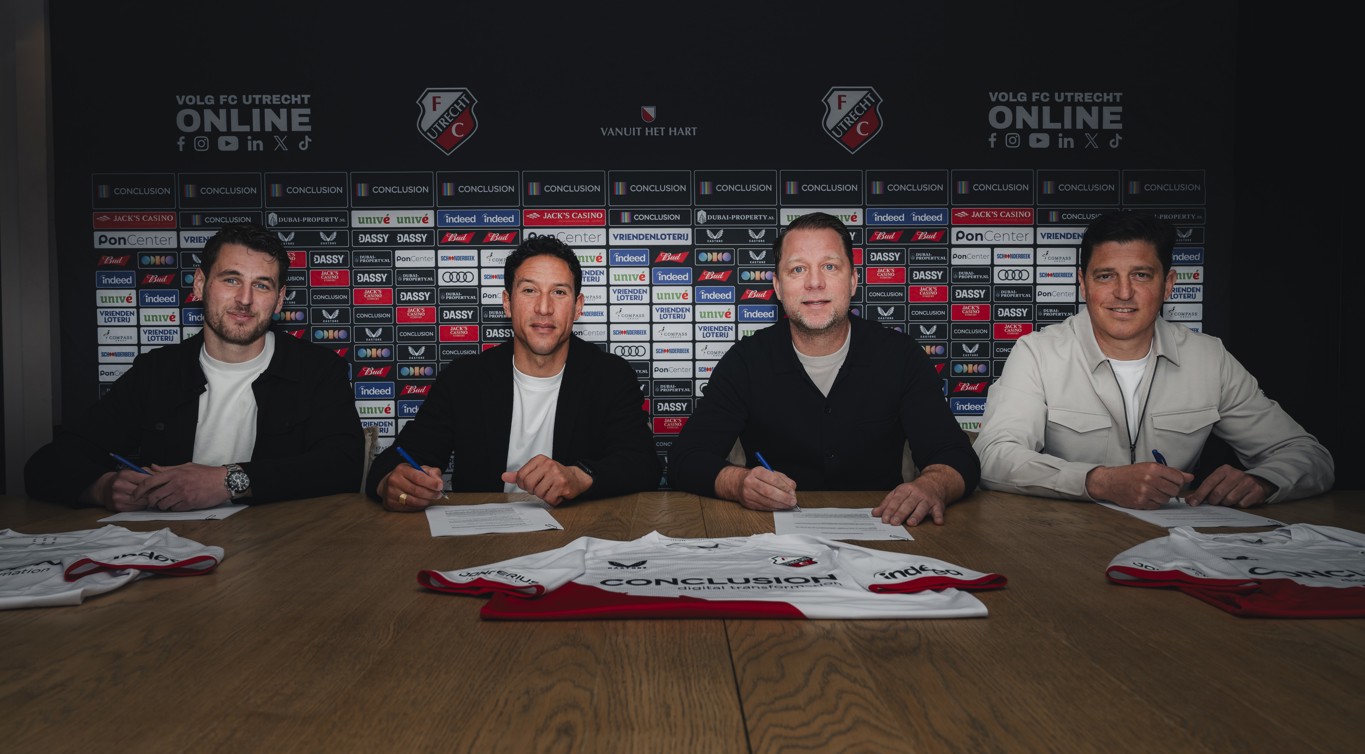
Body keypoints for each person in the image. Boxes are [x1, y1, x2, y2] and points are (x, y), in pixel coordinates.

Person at [974, 209, 1334, 509]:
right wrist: (1098, 481)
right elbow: (993, 457)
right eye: (1106, 276)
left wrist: (1264, 482)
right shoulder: (1037, 353)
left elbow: (1308, 456)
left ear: (1168, 284)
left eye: (1141, 275)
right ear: (1083, 283)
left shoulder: (1209, 358)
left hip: (1178, 545)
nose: (1123, 293)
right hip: (1067, 539)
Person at [667, 212, 980, 526]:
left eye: (829, 266)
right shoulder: (746, 360)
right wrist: (738, 483)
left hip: (887, 528)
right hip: (773, 536)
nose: (814, 282)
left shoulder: (900, 355)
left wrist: (932, 485)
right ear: (778, 287)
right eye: (798, 269)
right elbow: (685, 459)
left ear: (853, 281)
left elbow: (956, 455)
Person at [26, 223, 364, 511]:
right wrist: (101, 487)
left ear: (279, 300)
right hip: (169, 548)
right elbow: (49, 463)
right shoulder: (156, 372)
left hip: (281, 548)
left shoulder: (318, 370)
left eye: (261, 285)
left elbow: (344, 466)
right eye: (231, 280)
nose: (245, 299)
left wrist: (228, 481)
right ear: (200, 284)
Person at [366, 235, 660, 510]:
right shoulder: (464, 379)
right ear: (507, 303)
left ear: (577, 307)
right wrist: (392, 483)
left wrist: (579, 477)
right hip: (483, 537)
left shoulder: (610, 376)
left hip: (578, 531)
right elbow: (396, 461)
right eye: (529, 290)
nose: (544, 308)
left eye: (559, 292)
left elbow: (644, 464)